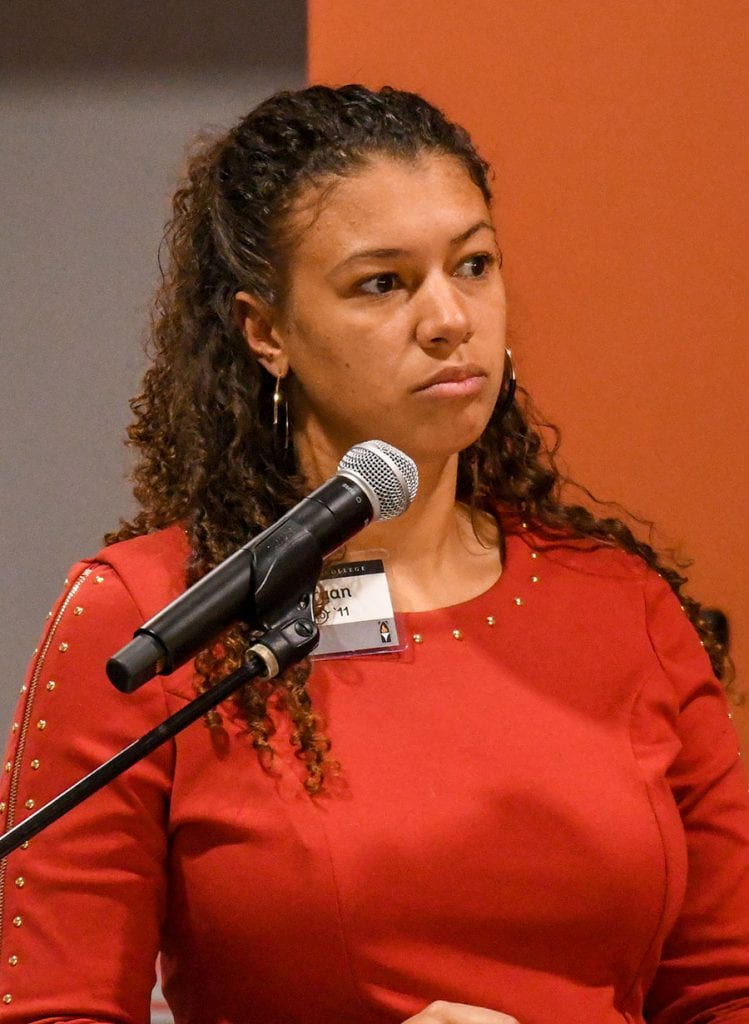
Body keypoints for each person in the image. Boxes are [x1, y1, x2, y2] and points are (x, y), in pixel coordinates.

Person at [0, 84, 747, 1024]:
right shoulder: (152, 617)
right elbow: (50, 1010)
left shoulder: (620, 605)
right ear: (265, 332)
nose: (448, 317)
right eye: (382, 283)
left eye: (472, 265)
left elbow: (725, 991)